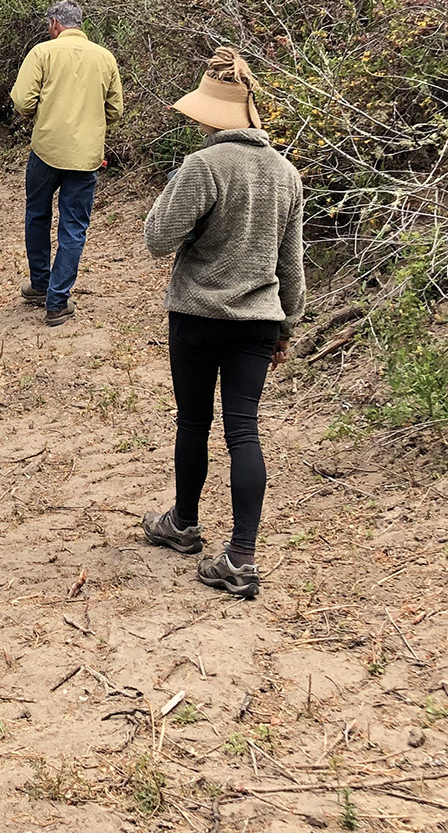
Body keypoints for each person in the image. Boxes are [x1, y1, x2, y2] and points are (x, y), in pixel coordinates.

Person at [137, 48, 303, 599]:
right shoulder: (286, 173)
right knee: (244, 430)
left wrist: (187, 227)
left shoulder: (203, 166)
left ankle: (184, 523)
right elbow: (291, 262)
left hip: (197, 315)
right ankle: (242, 555)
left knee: (193, 421)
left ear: (213, 113)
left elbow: (157, 237)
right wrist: (286, 326)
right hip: (258, 320)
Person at [9, 0, 123, 327]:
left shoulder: (42, 54)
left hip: (46, 150)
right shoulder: (105, 58)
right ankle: (57, 302)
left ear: (55, 24)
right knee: (73, 225)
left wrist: (40, 113)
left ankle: (40, 284)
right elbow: (115, 110)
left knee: (38, 215)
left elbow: (22, 99)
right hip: (86, 156)